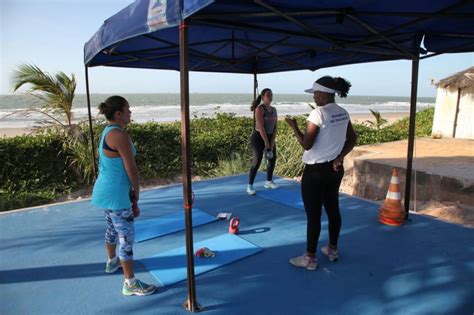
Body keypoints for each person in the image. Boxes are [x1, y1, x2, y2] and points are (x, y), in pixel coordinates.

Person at [285, 76, 357, 270]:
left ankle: (310, 258)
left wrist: (294, 127)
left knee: (314, 215)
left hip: (315, 172)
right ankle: (332, 249)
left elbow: (306, 145)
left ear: (324, 93)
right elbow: (352, 139)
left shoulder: (318, 114)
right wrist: (340, 157)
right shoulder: (343, 113)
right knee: (333, 209)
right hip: (335, 169)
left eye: (316, 93)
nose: (314, 97)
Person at [91, 96, 157, 296]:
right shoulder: (119, 135)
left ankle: (111, 263)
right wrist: (136, 196)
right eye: (128, 109)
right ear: (118, 113)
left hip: (104, 191)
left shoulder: (107, 131)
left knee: (111, 229)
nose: (130, 112)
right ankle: (130, 283)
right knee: (126, 239)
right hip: (117, 195)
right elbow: (132, 170)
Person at [247, 88, 279, 195]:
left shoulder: (274, 109)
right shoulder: (260, 109)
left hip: (269, 137)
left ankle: (268, 181)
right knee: (257, 161)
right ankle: (250, 185)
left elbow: (275, 127)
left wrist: (272, 142)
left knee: (272, 158)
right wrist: (266, 143)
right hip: (258, 137)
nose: (270, 96)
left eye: (271, 94)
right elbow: (260, 127)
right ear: (262, 97)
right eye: (268, 95)